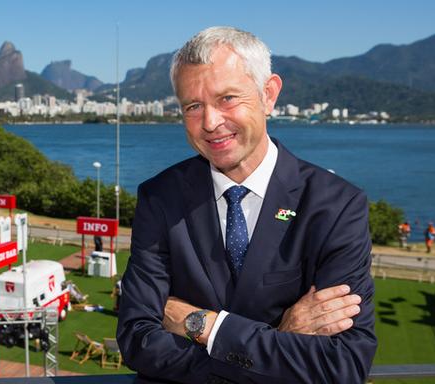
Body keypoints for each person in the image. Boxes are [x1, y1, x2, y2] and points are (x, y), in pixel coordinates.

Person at [116, 27, 376, 383]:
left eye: (227, 99)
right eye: (193, 106)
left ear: (268, 95)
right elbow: (137, 339)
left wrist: (206, 326)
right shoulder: (160, 197)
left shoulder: (336, 206)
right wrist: (279, 341)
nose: (210, 122)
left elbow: (343, 364)